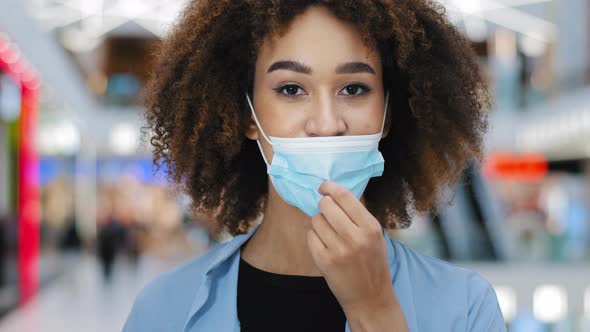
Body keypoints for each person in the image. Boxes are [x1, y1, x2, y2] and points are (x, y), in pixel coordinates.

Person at [123, 1, 505, 331]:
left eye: (354, 89)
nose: (326, 124)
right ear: (247, 116)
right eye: (291, 89)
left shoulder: (466, 308)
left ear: (388, 115)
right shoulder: (164, 309)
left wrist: (375, 311)